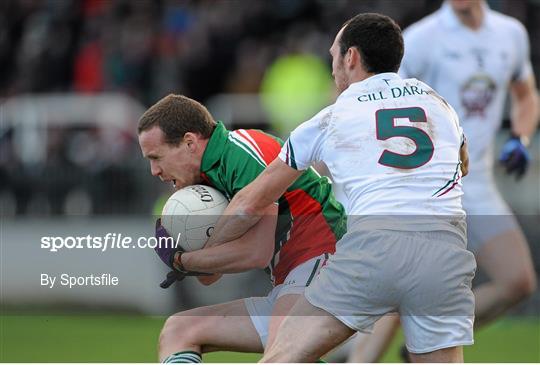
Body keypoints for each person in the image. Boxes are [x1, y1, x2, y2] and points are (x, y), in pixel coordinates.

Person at [207, 12, 476, 363]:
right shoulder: (439, 104)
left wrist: (207, 253)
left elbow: (252, 199)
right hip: (444, 249)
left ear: (351, 57)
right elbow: (464, 164)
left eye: (334, 55)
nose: (333, 67)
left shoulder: (331, 117)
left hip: (374, 247)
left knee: (282, 356)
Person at [349, 1, 538, 362]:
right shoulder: (423, 38)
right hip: (431, 183)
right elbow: (377, 99)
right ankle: (364, 357)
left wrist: (521, 137)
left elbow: (526, 95)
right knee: (404, 286)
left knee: (518, 281)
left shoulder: (510, 34)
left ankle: (415, 347)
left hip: (477, 181)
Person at [137, 94, 346, 363]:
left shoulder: (241, 152)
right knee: (179, 330)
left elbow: (256, 252)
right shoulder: (207, 182)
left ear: (189, 142)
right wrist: (187, 247)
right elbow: (209, 275)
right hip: (292, 281)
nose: (154, 170)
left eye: (157, 157)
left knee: (282, 353)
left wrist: (182, 260)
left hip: (327, 262)